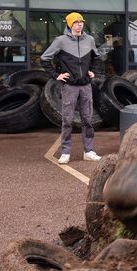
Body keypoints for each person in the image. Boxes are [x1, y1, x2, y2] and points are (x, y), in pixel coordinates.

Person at [40, 12, 102, 164]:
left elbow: (97, 57)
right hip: (69, 87)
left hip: (86, 86)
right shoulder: (60, 41)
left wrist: (93, 71)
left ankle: (88, 151)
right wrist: (57, 75)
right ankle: (65, 152)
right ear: (69, 24)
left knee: (87, 120)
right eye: (76, 22)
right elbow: (44, 58)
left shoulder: (90, 39)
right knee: (67, 120)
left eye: (81, 21)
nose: (79, 24)